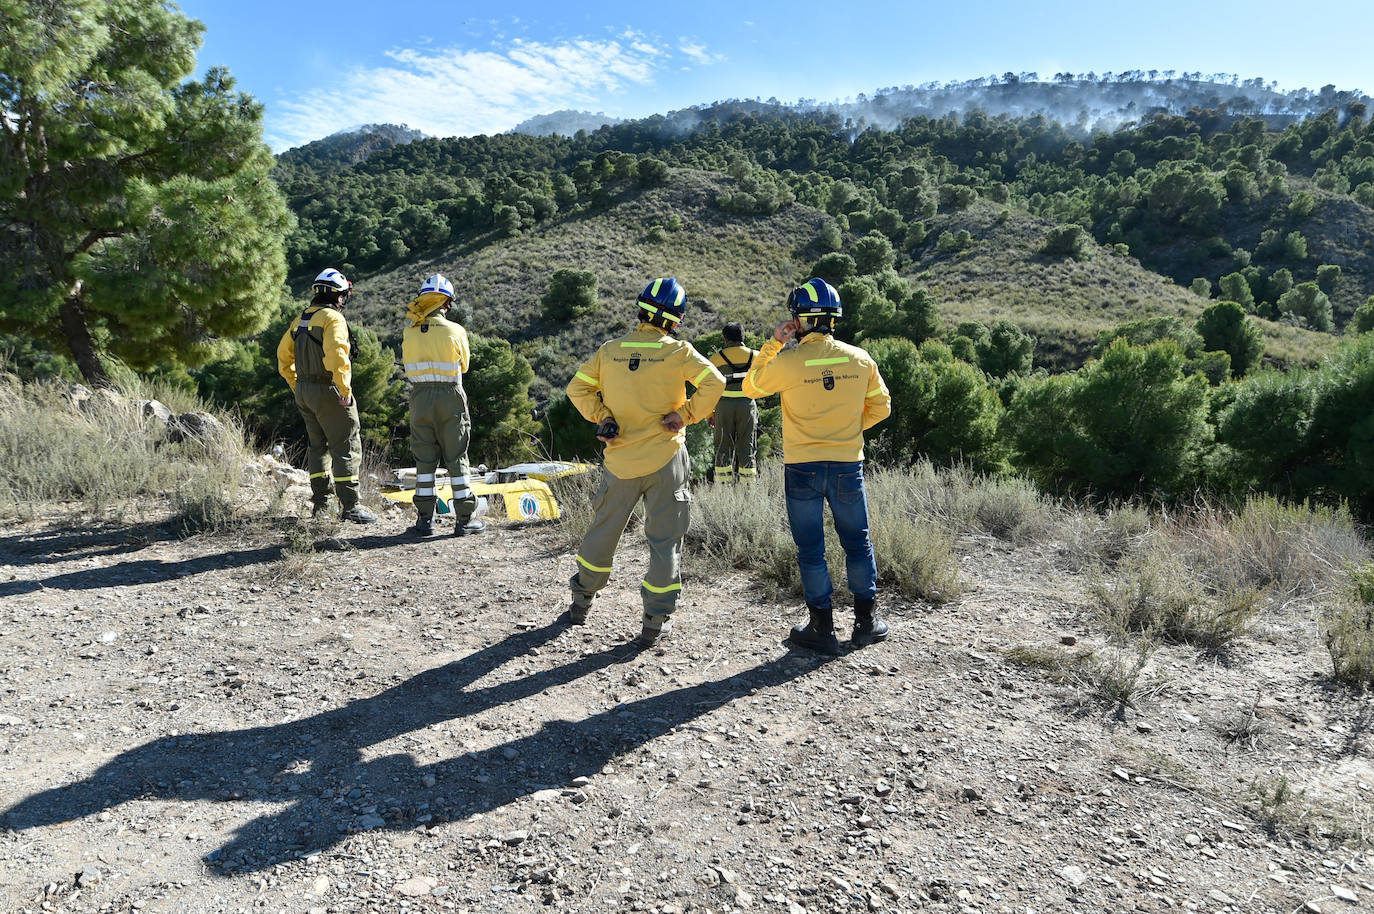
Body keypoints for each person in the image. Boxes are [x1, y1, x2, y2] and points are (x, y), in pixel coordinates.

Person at [564, 277, 725, 646]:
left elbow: (577, 388)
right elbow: (714, 383)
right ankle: (655, 619)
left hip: (619, 459)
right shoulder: (679, 352)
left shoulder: (610, 350)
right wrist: (685, 414)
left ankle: (581, 599)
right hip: (666, 459)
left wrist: (603, 416)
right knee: (665, 540)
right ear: (676, 319)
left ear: (640, 310)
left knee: (604, 529)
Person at [742, 278, 892, 653]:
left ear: (801, 320)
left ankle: (821, 628)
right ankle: (866, 623)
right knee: (858, 543)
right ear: (833, 319)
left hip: (802, 467)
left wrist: (775, 342)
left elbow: (751, 386)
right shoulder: (860, 359)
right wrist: (847, 429)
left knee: (811, 548)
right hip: (846, 466)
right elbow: (882, 407)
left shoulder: (789, 361)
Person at [276, 267, 378, 524]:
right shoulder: (333, 319)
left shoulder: (300, 319)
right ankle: (351, 507)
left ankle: (322, 506)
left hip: (305, 391)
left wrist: (296, 385)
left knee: (317, 448)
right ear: (339, 296)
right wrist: (344, 390)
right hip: (329, 390)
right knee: (346, 445)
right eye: (344, 295)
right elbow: (337, 357)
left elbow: (282, 357)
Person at [402, 273, 484, 537]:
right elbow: (465, 365)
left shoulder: (410, 330)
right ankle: (464, 519)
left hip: (419, 397)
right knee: (456, 456)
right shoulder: (455, 330)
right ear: (446, 303)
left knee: (424, 459)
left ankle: (425, 520)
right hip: (450, 395)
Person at [708, 322, 760, 483]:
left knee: (723, 448)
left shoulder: (715, 359)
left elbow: (708, 388)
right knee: (747, 447)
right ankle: (748, 487)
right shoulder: (756, 356)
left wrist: (710, 413)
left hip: (723, 406)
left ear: (725, 339)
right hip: (748, 405)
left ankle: (723, 488)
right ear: (743, 337)